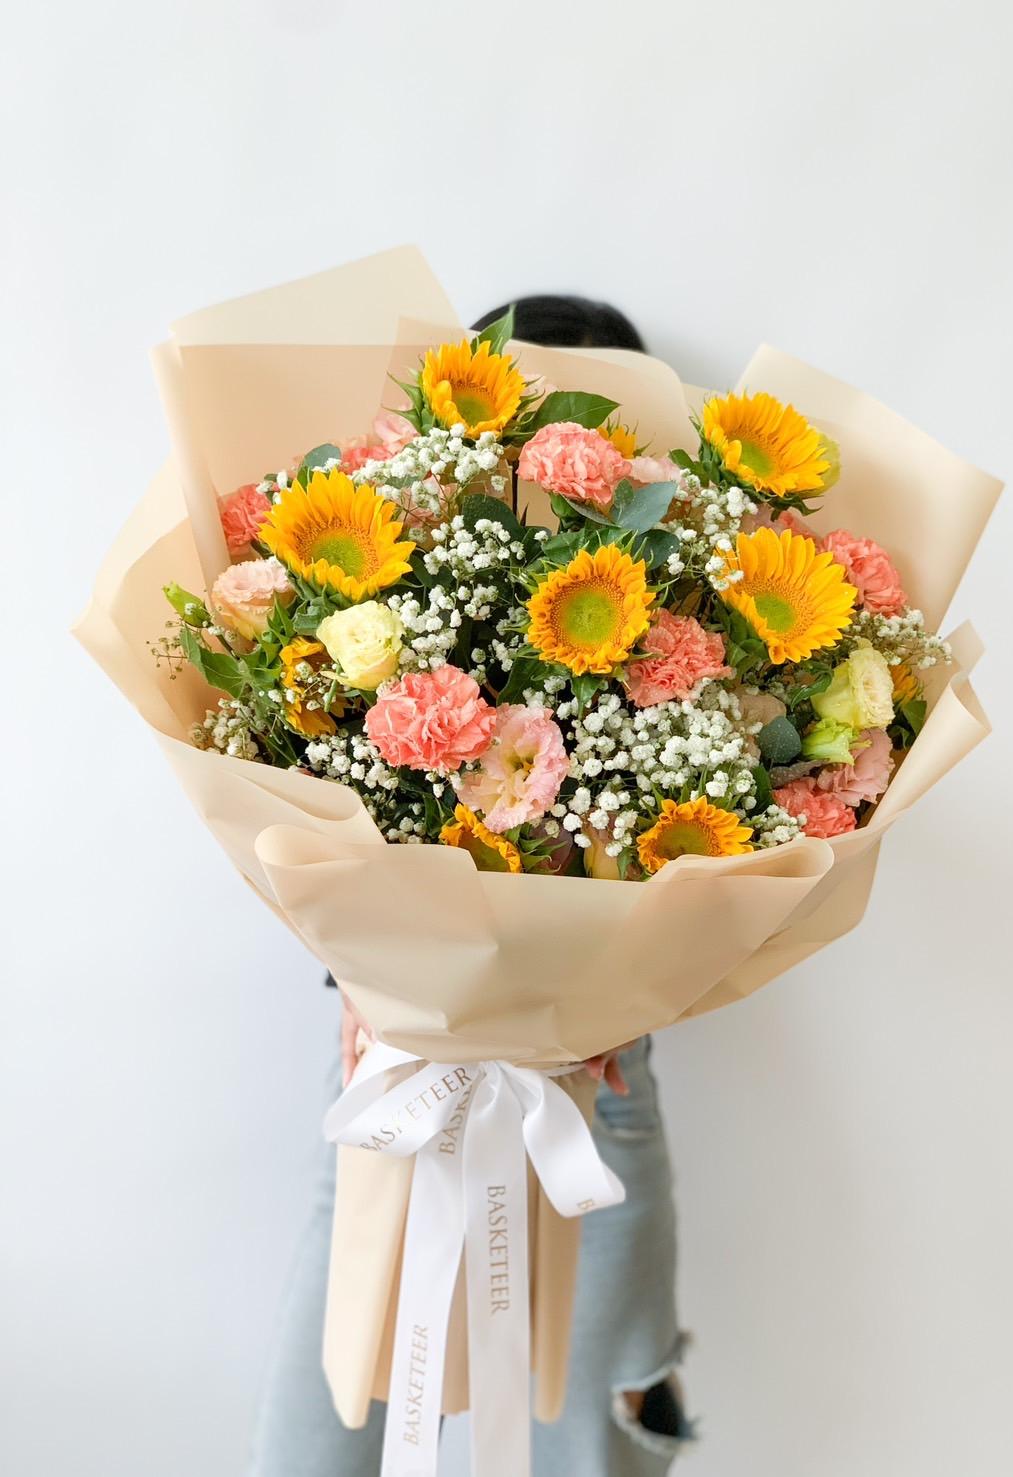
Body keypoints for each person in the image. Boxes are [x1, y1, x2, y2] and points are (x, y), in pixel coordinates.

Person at [248, 297, 692, 1477]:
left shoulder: (682, 632)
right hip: (390, 1075)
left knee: (590, 1442)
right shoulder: (385, 607)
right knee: (323, 1433)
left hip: (597, 1096)